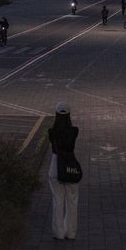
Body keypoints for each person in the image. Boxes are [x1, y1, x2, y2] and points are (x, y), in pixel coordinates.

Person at [48, 102, 79, 240]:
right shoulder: (74, 131)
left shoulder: (51, 132)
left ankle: (58, 232)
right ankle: (71, 232)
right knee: (72, 200)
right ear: (69, 115)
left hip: (56, 165)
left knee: (57, 200)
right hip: (70, 166)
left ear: (56, 115)